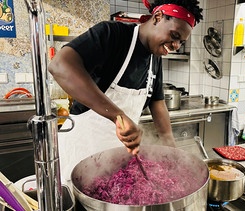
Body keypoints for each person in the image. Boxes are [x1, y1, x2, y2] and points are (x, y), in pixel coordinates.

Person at [48, 0, 203, 184]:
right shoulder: (112, 35)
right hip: (81, 152)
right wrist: (118, 116)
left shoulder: (155, 58)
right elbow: (59, 65)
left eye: (181, 42)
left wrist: (170, 148)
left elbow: (157, 102)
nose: (176, 45)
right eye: (175, 35)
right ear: (158, 17)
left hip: (116, 157)